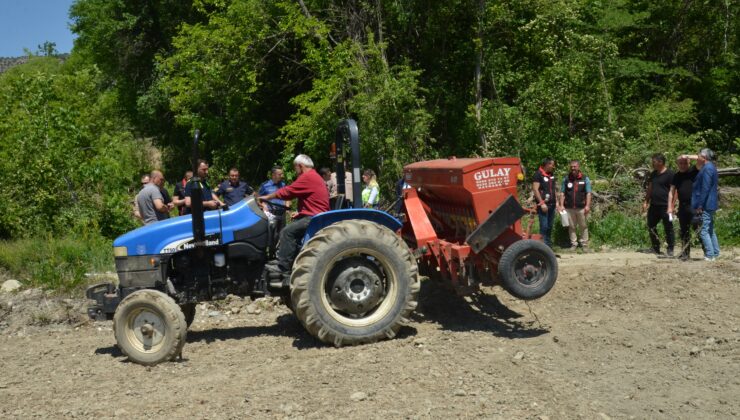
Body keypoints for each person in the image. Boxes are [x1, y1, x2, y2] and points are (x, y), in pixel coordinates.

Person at [258, 155, 330, 285]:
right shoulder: (313, 176)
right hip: (312, 214)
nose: (295, 170)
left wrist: (268, 197)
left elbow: (288, 192)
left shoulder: (307, 177)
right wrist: (299, 213)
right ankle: (286, 260)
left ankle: (284, 268)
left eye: (295, 167)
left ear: (300, 166)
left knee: (287, 232)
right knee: (291, 229)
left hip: (314, 218)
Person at [686, 149, 720, 261]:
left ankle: (710, 255)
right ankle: (715, 252)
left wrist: (700, 204)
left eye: (699, 155)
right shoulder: (710, 166)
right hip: (710, 203)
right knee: (710, 229)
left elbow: (705, 188)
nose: (697, 157)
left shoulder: (707, 168)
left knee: (704, 230)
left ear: (704, 157)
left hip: (706, 203)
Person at [643, 153, 675, 256]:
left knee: (668, 227)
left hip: (666, 206)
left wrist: (672, 205)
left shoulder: (670, 174)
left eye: (654, 162)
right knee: (651, 225)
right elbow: (650, 188)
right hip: (654, 205)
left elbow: (674, 190)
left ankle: (670, 248)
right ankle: (655, 247)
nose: (652, 164)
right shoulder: (653, 174)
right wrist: (646, 201)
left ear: (660, 162)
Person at [668, 156, 699, 260]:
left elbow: (703, 159)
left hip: (694, 205)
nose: (682, 165)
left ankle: (708, 252)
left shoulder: (694, 171)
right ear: (677, 164)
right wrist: (670, 207)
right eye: (680, 163)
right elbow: (671, 192)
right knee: (684, 231)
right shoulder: (676, 176)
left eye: (684, 163)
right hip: (683, 206)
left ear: (688, 163)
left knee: (698, 228)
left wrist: (688, 155)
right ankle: (685, 253)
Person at [557, 160, 592, 252]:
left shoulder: (585, 179)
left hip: (581, 207)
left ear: (578, 167)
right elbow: (562, 193)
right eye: (571, 166)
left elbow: (588, 193)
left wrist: (587, 206)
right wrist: (561, 205)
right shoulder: (566, 179)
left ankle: (584, 244)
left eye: (575, 166)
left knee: (583, 226)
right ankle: (574, 243)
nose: (573, 168)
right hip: (569, 208)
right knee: (571, 226)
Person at [259, 166, 291, 246]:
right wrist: (263, 205)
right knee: (271, 234)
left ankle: (279, 250)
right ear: (273, 175)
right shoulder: (265, 185)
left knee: (282, 233)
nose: (282, 176)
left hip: (282, 212)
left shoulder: (283, 184)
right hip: (271, 213)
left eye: (282, 174)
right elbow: (259, 199)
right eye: (280, 174)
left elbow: (288, 197)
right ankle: (270, 252)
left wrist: (287, 205)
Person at [532, 158, 557, 247]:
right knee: (544, 226)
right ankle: (543, 248)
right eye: (552, 165)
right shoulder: (538, 174)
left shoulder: (551, 174)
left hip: (552, 205)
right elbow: (535, 189)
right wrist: (542, 204)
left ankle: (548, 247)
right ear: (547, 164)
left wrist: (556, 202)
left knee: (549, 227)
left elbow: (553, 189)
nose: (553, 167)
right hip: (543, 205)